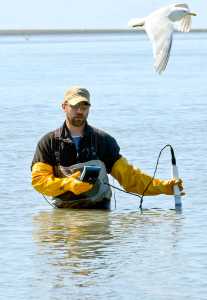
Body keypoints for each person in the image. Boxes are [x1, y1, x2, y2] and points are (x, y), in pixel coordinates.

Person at [31, 86, 184, 209]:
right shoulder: (48, 142)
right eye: (75, 106)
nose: (80, 111)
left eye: (84, 107)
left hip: (99, 212)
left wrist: (163, 187)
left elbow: (130, 178)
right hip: (64, 215)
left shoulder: (103, 141)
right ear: (64, 107)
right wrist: (69, 184)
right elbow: (39, 181)